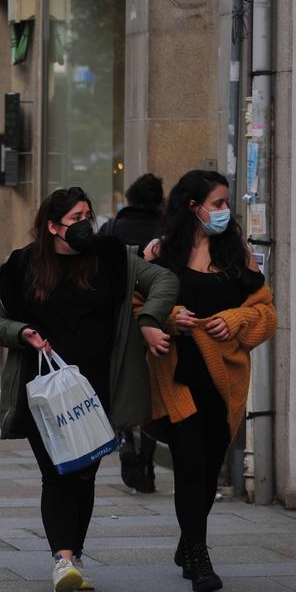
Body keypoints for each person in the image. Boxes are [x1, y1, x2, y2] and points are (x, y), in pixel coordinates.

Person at [0, 186, 178, 591]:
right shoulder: (21, 266)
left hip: (98, 390)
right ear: (52, 226)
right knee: (57, 474)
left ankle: (74, 556)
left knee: (84, 475)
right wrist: (24, 333)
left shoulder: (110, 258)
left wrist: (150, 320)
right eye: (75, 219)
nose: (84, 225)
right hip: (44, 391)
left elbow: (163, 279)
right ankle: (63, 559)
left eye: (88, 215)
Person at [144, 170, 275, 592]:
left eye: (226, 204)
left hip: (223, 382)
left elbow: (265, 312)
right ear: (192, 206)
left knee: (209, 466)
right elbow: (135, 307)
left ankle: (187, 541)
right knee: (190, 464)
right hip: (177, 377)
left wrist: (234, 320)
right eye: (217, 204)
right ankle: (200, 560)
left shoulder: (236, 253)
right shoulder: (162, 254)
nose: (224, 212)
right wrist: (168, 317)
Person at [95, 173, 168, 494]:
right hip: (157, 320)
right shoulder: (167, 232)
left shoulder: (110, 230)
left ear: (129, 199)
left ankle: (124, 437)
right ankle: (148, 464)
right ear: (158, 201)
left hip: (118, 320)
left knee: (123, 383)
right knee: (152, 390)